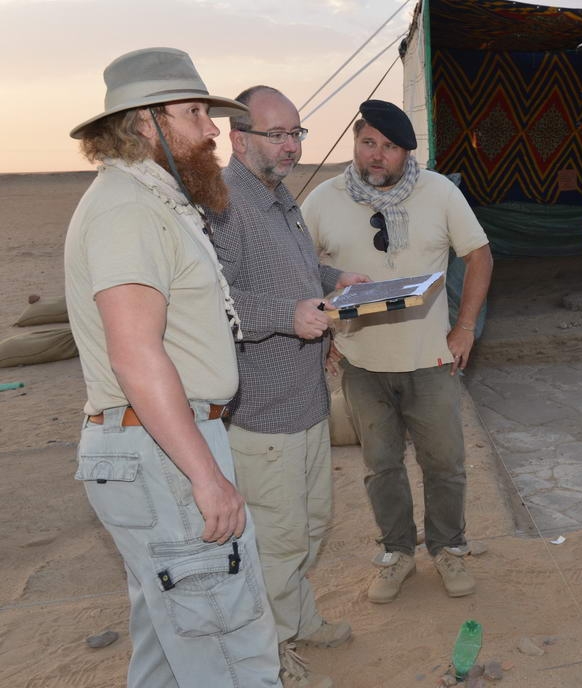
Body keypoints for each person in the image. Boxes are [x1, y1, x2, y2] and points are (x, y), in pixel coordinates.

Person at [64, 47, 279, 686]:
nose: (212, 129)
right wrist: (205, 476)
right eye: (194, 113)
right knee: (229, 647)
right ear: (145, 121)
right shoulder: (128, 210)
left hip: (157, 443)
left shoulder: (150, 201)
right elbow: (136, 353)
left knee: (171, 642)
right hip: (164, 448)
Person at [302, 100, 493, 604]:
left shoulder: (440, 192)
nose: (377, 155)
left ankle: (448, 549)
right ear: (355, 142)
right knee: (381, 466)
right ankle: (397, 553)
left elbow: (479, 256)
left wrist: (465, 328)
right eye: (368, 143)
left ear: (407, 151)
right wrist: (324, 333)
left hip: (431, 360)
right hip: (361, 362)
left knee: (444, 463)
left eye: (389, 146)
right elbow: (301, 268)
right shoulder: (322, 200)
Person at [208, 86, 368, 686]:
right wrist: (286, 315)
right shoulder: (223, 204)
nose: (291, 146)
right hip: (263, 409)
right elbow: (212, 300)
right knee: (276, 542)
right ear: (238, 138)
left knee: (311, 525)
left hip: (307, 402)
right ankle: (269, 656)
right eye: (276, 134)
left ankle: (298, 621)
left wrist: (334, 277)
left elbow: (292, 273)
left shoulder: (279, 197)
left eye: (296, 133)